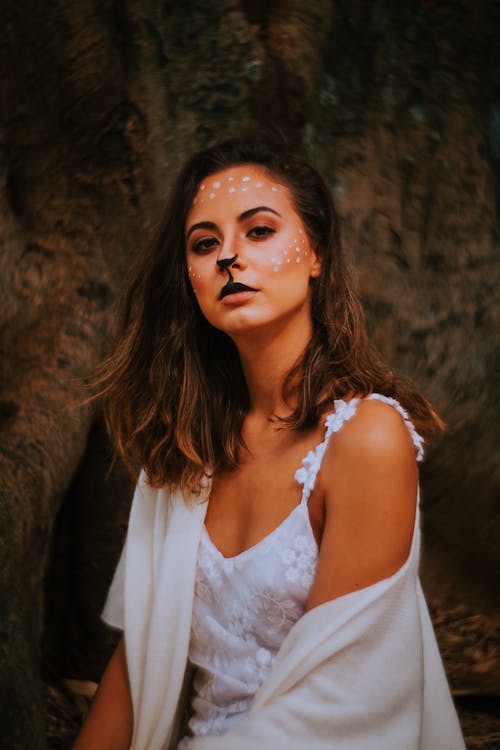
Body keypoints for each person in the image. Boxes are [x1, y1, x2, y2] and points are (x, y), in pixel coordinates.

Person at [73, 139, 465, 750]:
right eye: (205, 244)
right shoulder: (182, 455)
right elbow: (134, 666)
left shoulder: (366, 438)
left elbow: (337, 703)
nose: (229, 255)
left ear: (316, 254)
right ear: (192, 279)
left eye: (258, 231)